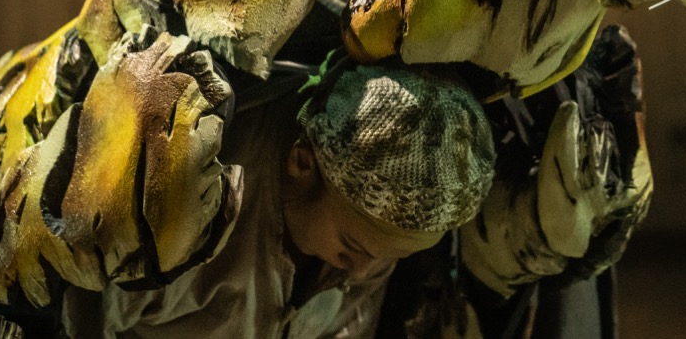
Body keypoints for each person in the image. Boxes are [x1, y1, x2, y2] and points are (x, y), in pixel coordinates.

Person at [62, 59, 496, 339]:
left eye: (385, 260)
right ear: (303, 164)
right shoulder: (180, 202)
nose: (361, 273)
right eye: (353, 246)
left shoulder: (373, 248)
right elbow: (73, 319)